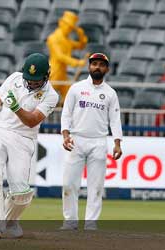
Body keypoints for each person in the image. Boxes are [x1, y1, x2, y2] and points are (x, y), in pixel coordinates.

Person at [0, 53, 59, 238]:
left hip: (23, 138)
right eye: (28, 79)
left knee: (21, 194)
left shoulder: (51, 95)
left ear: (46, 76)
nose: (30, 84)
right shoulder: (15, 78)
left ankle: (9, 222)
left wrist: (16, 108)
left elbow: (32, 121)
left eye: (36, 80)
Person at [60, 53, 123, 230]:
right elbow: (66, 113)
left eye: (101, 65)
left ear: (107, 69)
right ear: (89, 67)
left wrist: (117, 142)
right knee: (69, 184)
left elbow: (115, 119)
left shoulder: (110, 93)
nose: (97, 67)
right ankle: (70, 222)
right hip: (76, 139)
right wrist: (65, 135)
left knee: (96, 186)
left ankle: (90, 223)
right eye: (94, 64)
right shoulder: (76, 88)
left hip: (99, 142)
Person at [46, 10, 88, 105]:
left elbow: (81, 46)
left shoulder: (67, 40)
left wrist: (81, 35)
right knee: (47, 97)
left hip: (62, 74)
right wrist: (77, 62)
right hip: (54, 72)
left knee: (69, 95)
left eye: (71, 28)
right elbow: (60, 56)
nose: (68, 29)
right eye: (67, 26)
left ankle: (65, 115)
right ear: (61, 23)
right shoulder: (53, 38)